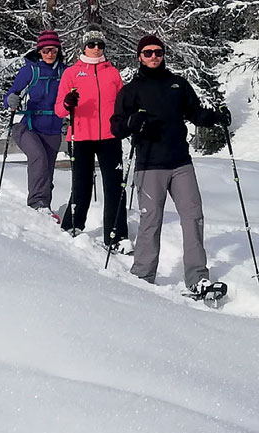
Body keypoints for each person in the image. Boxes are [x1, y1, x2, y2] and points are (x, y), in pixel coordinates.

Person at [110, 34, 226, 294]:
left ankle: (197, 277)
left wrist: (215, 117)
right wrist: (131, 123)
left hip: (180, 162)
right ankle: (142, 275)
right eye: (148, 53)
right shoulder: (132, 90)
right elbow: (116, 126)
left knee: (193, 216)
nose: (154, 57)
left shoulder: (178, 84)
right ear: (139, 56)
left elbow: (194, 112)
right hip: (149, 164)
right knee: (151, 221)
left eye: (158, 52)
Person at [53, 30, 127, 251]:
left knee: (114, 187)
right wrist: (67, 103)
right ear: (83, 46)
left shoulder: (113, 73)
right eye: (92, 44)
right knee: (81, 184)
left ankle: (116, 236)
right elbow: (58, 109)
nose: (96, 48)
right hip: (81, 135)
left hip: (110, 137)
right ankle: (72, 226)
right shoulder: (72, 73)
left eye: (100, 44)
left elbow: (123, 103)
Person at [3, 30, 68, 214]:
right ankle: (37, 203)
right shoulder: (30, 70)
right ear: (39, 51)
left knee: (47, 169)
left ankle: (44, 207)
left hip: (53, 127)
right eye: (46, 50)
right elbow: (10, 94)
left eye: (53, 50)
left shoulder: (65, 72)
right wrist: (11, 100)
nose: (49, 54)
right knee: (38, 157)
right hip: (28, 126)